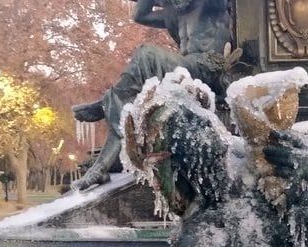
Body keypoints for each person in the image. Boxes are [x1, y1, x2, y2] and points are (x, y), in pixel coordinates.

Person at [70, 0, 233, 191]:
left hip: (208, 70)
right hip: (186, 67)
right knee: (126, 102)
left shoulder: (210, 5)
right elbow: (140, 15)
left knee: (146, 55)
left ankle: (105, 105)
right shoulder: (174, 13)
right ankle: (100, 168)